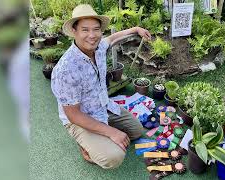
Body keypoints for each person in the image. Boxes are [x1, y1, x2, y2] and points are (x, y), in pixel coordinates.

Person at [51, 4, 152, 169]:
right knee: (114, 157)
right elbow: (74, 115)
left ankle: (102, 131)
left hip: (102, 106)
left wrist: (135, 29)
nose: (92, 35)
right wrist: (112, 132)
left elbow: (112, 38)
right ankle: (84, 143)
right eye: (85, 30)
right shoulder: (65, 70)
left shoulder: (98, 48)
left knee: (136, 132)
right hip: (80, 119)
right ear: (74, 32)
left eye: (96, 29)